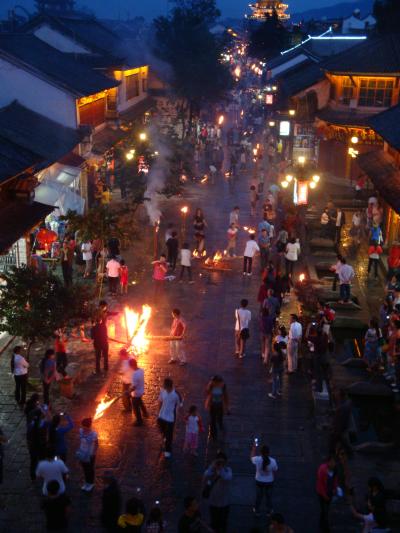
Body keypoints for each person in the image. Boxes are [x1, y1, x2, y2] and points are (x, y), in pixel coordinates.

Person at [203, 451, 232, 533]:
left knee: (223, 524)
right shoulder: (211, 469)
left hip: (224, 503)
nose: (220, 463)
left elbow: (227, 478)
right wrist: (213, 466)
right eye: (219, 461)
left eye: (222, 462)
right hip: (213, 503)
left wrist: (220, 469)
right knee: (214, 523)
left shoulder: (228, 470)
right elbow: (205, 475)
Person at [250, 443, 278, 516]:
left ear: (260, 452)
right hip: (269, 481)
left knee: (259, 496)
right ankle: (269, 511)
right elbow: (275, 470)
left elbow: (251, 458)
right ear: (269, 453)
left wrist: (253, 449)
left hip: (259, 481)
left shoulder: (257, 459)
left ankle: (257, 510)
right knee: (268, 497)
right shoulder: (273, 461)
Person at [157, 378, 183, 458]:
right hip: (162, 416)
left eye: (164, 385)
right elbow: (160, 401)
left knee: (169, 435)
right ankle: (165, 437)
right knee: (162, 430)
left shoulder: (176, 394)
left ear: (169, 386)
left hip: (171, 417)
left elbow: (180, 404)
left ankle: (168, 450)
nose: (163, 386)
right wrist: (159, 412)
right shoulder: (162, 391)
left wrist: (181, 415)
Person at [316, 456, 338, 533]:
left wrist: (335, 488)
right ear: (328, 462)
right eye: (332, 462)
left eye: (334, 462)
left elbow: (335, 479)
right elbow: (320, 484)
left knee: (325, 510)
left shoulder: (334, 470)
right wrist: (324, 495)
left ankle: (321, 523)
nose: (333, 464)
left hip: (330, 493)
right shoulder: (322, 470)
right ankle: (326, 528)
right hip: (322, 494)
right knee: (325, 510)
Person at [205, 375, 229, 442]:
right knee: (213, 420)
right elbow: (207, 393)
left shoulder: (223, 386)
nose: (216, 383)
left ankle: (221, 427)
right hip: (212, 405)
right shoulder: (211, 386)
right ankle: (214, 435)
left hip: (220, 405)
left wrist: (227, 407)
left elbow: (226, 396)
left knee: (219, 419)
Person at [77, 417, 98, 492]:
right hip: (82, 453)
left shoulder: (94, 434)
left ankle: (91, 483)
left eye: (83, 426)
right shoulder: (81, 431)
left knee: (90, 469)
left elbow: (96, 444)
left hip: (90, 455)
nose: (82, 427)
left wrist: (94, 453)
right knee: (84, 469)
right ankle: (86, 482)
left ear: (88, 426)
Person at [129, 358, 148, 426]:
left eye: (130, 366)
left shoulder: (135, 375)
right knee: (140, 402)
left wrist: (128, 391)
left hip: (136, 393)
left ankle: (139, 421)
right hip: (141, 391)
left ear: (132, 365)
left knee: (136, 407)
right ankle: (145, 413)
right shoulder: (141, 370)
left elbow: (134, 387)